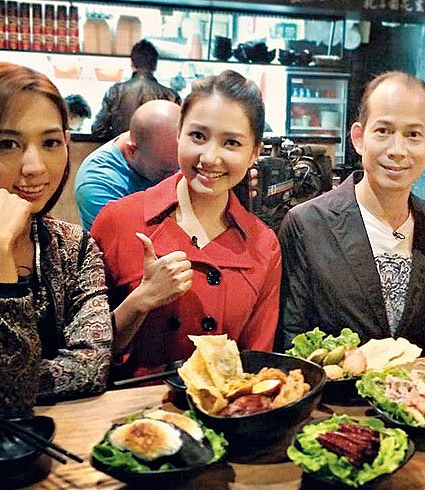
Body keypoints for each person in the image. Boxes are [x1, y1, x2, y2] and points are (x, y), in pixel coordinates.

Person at [0, 62, 112, 417]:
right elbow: (2, 402)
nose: (35, 167)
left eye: (50, 142)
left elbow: (93, 367)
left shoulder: (74, 246)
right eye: (7, 144)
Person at [91, 70, 281, 378]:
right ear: (179, 132)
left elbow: (257, 366)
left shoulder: (263, 244)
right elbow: (83, 356)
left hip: (224, 406)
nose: (210, 157)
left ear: (253, 153)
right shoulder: (118, 221)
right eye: (198, 136)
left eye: (231, 143)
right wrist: (140, 301)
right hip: (133, 406)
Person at [277, 71, 425, 354]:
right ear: (359, 137)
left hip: (419, 382)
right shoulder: (307, 225)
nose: (397, 150)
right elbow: (292, 340)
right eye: (383, 131)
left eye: (413, 135)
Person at [75, 100, 181, 230]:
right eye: (164, 171)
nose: (175, 176)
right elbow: (132, 239)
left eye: (178, 167)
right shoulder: (97, 183)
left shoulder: (157, 150)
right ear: (132, 150)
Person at [91, 39, 181, 142]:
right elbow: (179, 134)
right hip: (158, 152)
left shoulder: (115, 92)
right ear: (155, 65)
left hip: (121, 151)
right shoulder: (170, 96)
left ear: (132, 63)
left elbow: (98, 130)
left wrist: (118, 140)